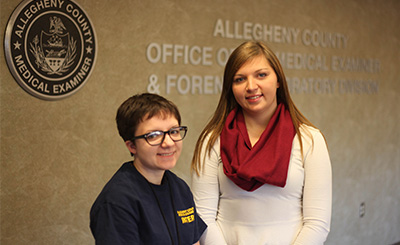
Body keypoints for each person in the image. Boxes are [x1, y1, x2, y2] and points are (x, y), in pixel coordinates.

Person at [191, 41, 332, 244]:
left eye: (261, 75)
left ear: (278, 81)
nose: (250, 86)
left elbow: (317, 223)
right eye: (240, 79)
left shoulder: (309, 139)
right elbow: (203, 217)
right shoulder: (212, 140)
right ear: (231, 88)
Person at [90, 93, 207, 245]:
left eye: (173, 131)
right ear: (132, 146)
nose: (168, 143)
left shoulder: (180, 188)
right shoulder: (116, 202)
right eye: (154, 135)